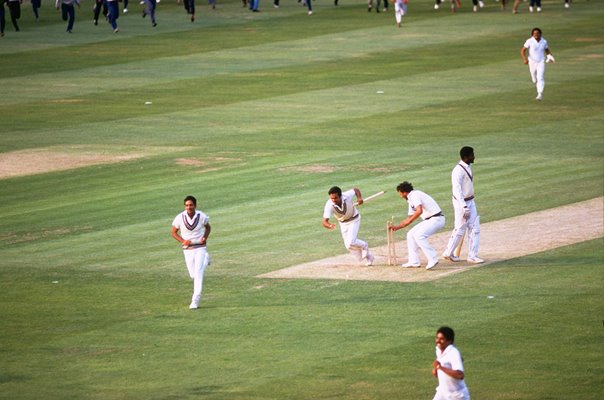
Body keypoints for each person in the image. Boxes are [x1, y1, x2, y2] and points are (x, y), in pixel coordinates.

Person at [442, 146, 484, 264]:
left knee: (474, 227)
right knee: (460, 229)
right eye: (472, 155)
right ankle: (448, 253)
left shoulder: (468, 166)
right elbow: (457, 190)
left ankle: (472, 255)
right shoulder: (458, 170)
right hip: (462, 203)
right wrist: (463, 206)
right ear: (466, 157)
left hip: (471, 201)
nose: (474, 157)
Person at [389, 182, 445, 270]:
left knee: (419, 235)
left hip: (437, 219)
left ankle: (433, 258)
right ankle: (414, 261)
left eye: (400, 193)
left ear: (404, 192)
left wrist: (406, 222)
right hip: (429, 220)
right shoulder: (410, 199)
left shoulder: (414, 195)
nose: (400, 196)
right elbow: (410, 217)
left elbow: (419, 211)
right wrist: (397, 227)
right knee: (410, 234)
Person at [171, 195, 212, 310]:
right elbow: (173, 232)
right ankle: (206, 259)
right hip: (188, 249)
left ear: (195, 205)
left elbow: (208, 228)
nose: (189, 207)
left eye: (191, 205)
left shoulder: (201, 216)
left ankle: (195, 300)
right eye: (187, 205)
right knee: (193, 275)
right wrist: (183, 241)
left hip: (200, 247)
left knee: (198, 274)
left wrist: (205, 237)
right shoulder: (180, 217)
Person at [322, 186, 374, 266]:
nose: (333, 200)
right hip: (343, 223)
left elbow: (356, 189)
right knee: (348, 246)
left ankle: (364, 245)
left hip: (354, 219)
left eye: (335, 198)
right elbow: (324, 221)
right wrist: (329, 225)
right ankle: (369, 257)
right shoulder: (329, 204)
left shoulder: (346, 195)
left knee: (351, 241)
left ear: (340, 196)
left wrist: (359, 198)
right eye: (332, 198)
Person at [431, 326, 470, 400]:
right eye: (437, 338)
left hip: (456, 395)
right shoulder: (439, 350)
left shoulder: (453, 353)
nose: (438, 341)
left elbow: (460, 375)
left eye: (441, 339)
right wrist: (436, 370)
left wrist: (440, 367)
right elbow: (441, 361)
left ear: (449, 341)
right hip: (442, 392)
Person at [521, 27, 554, 101]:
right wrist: (525, 59)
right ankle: (538, 88)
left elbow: (547, 50)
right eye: (534, 33)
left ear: (540, 34)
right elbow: (522, 50)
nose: (536, 35)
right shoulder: (529, 41)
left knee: (540, 77)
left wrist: (550, 57)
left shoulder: (544, 41)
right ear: (532, 34)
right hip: (532, 62)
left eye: (537, 33)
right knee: (534, 79)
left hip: (541, 61)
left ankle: (540, 94)